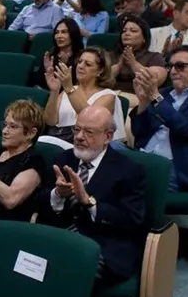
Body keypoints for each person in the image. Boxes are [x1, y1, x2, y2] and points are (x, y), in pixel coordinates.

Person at [40, 106, 147, 287]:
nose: (79, 137)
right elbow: (39, 203)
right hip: (60, 236)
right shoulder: (63, 159)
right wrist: (57, 195)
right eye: (77, 129)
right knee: (25, 262)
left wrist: (90, 202)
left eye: (89, 132)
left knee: (62, 275)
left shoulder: (129, 170)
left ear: (108, 137)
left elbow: (131, 220)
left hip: (104, 245)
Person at [131, 45, 188, 191]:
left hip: (175, 168)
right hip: (144, 157)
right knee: (108, 151)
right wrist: (143, 102)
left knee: (122, 181)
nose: (173, 71)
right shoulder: (164, 94)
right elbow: (139, 134)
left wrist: (155, 97)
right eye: (170, 66)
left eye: (180, 66)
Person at [44, 47, 125, 144]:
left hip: (87, 145)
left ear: (100, 71)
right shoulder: (67, 91)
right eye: (79, 62)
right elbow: (50, 121)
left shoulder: (108, 95)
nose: (80, 66)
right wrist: (54, 91)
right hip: (59, 140)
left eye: (88, 64)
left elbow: (89, 119)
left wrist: (69, 88)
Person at [112, 15, 167, 95]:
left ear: (144, 38)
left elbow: (154, 80)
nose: (127, 33)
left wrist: (133, 63)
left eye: (133, 31)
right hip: (109, 96)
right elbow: (98, 79)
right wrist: (118, 66)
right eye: (124, 31)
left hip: (138, 98)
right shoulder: (110, 55)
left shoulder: (154, 57)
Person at [43, 18, 85, 87]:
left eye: (64, 32)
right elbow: (38, 84)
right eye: (57, 32)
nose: (59, 36)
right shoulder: (50, 56)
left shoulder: (82, 58)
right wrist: (47, 71)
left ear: (73, 34)